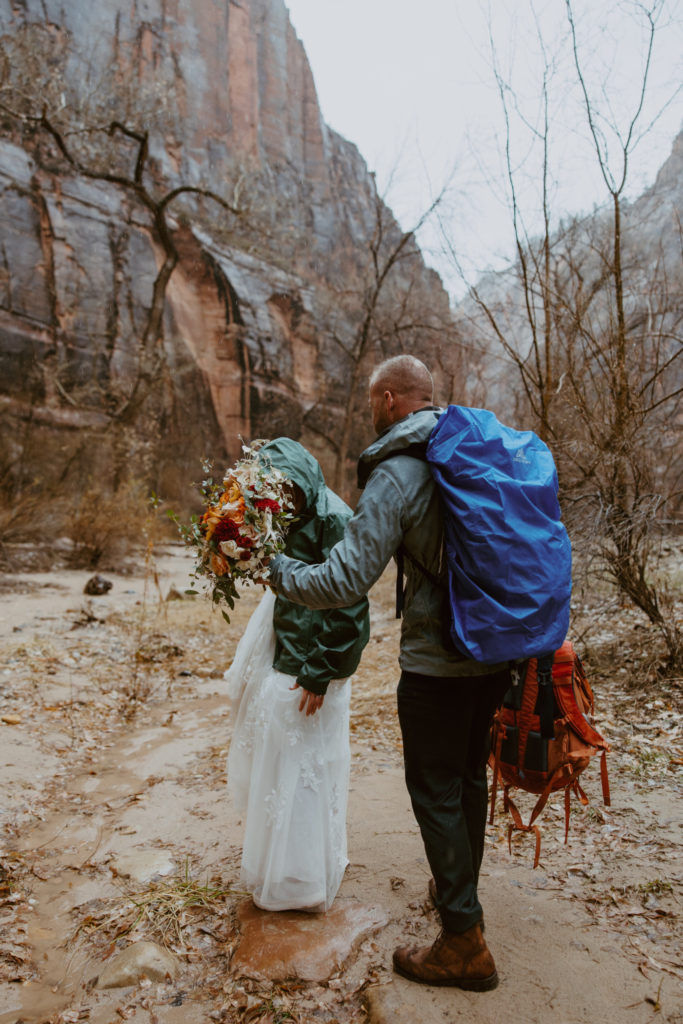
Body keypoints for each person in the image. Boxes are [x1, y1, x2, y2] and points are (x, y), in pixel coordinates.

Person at [269, 355, 509, 990]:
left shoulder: (398, 472)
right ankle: (458, 892)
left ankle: (464, 941)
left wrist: (280, 573)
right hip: (499, 650)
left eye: (374, 400)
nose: (371, 409)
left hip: (438, 660)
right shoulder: (473, 450)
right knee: (465, 776)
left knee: (433, 787)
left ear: (388, 399)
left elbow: (347, 578)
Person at [226, 437, 370, 913]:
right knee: (286, 761)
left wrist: (318, 673)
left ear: (302, 480)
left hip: (316, 662)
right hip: (289, 645)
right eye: (274, 490)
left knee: (311, 764)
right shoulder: (284, 513)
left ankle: (304, 879)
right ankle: (282, 864)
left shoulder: (335, 519)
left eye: (286, 489)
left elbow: (349, 607)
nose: (281, 500)